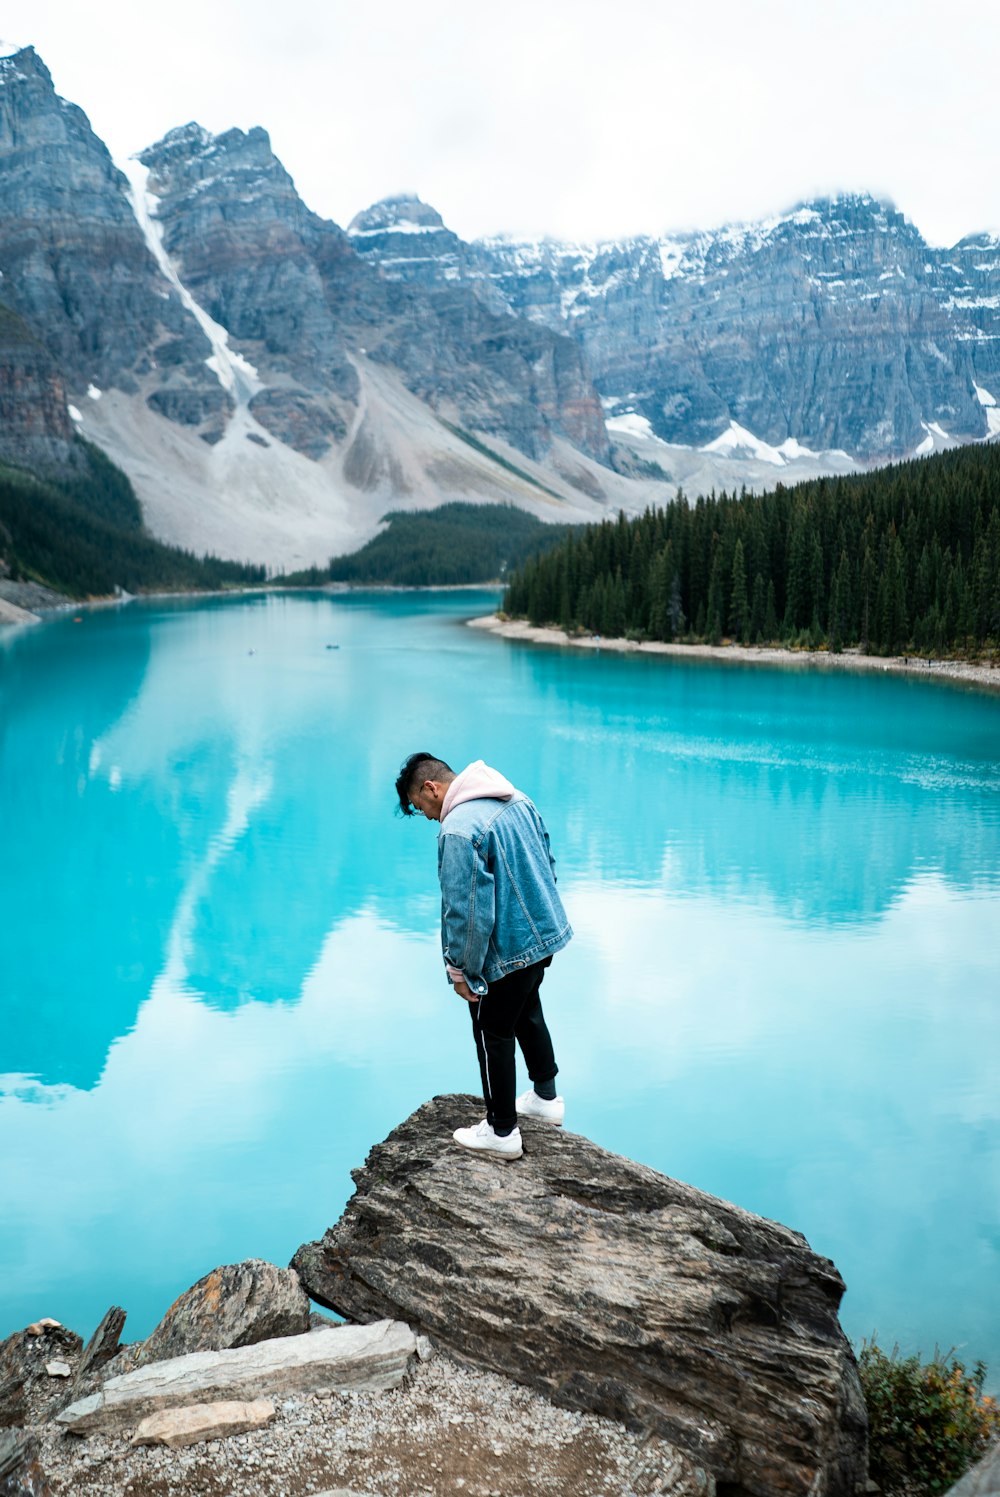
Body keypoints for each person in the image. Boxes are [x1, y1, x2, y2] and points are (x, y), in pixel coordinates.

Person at [395, 752, 572, 1160]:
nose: (427, 817)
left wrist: (461, 970)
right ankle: (546, 1099)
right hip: (543, 935)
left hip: (506, 949)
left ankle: (501, 1130)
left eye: (421, 808)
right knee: (527, 1009)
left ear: (431, 788)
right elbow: (548, 860)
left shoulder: (458, 829)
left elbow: (466, 912)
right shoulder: (516, 799)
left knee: (491, 1029)